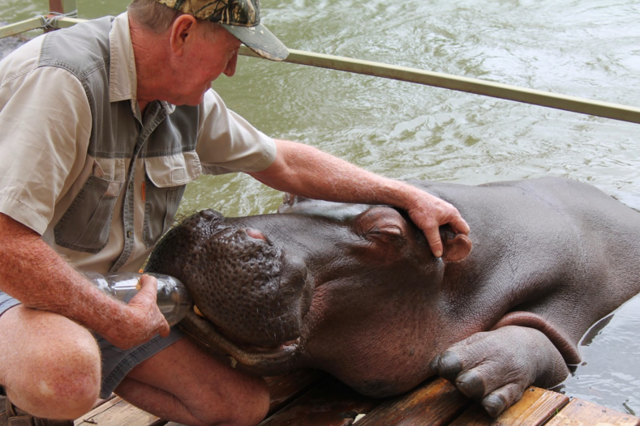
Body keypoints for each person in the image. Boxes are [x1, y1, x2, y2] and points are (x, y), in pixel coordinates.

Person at [0, 0, 470, 424]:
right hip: (16, 284)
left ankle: (65, 356)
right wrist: (112, 321)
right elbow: (5, 245)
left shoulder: (180, 96)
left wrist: (402, 194)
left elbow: (282, 161)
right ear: (182, 32)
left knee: (236, 407)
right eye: (229, 51)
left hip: (104, 290)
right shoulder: (62, 81)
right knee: (65, 377)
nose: (230, 71)